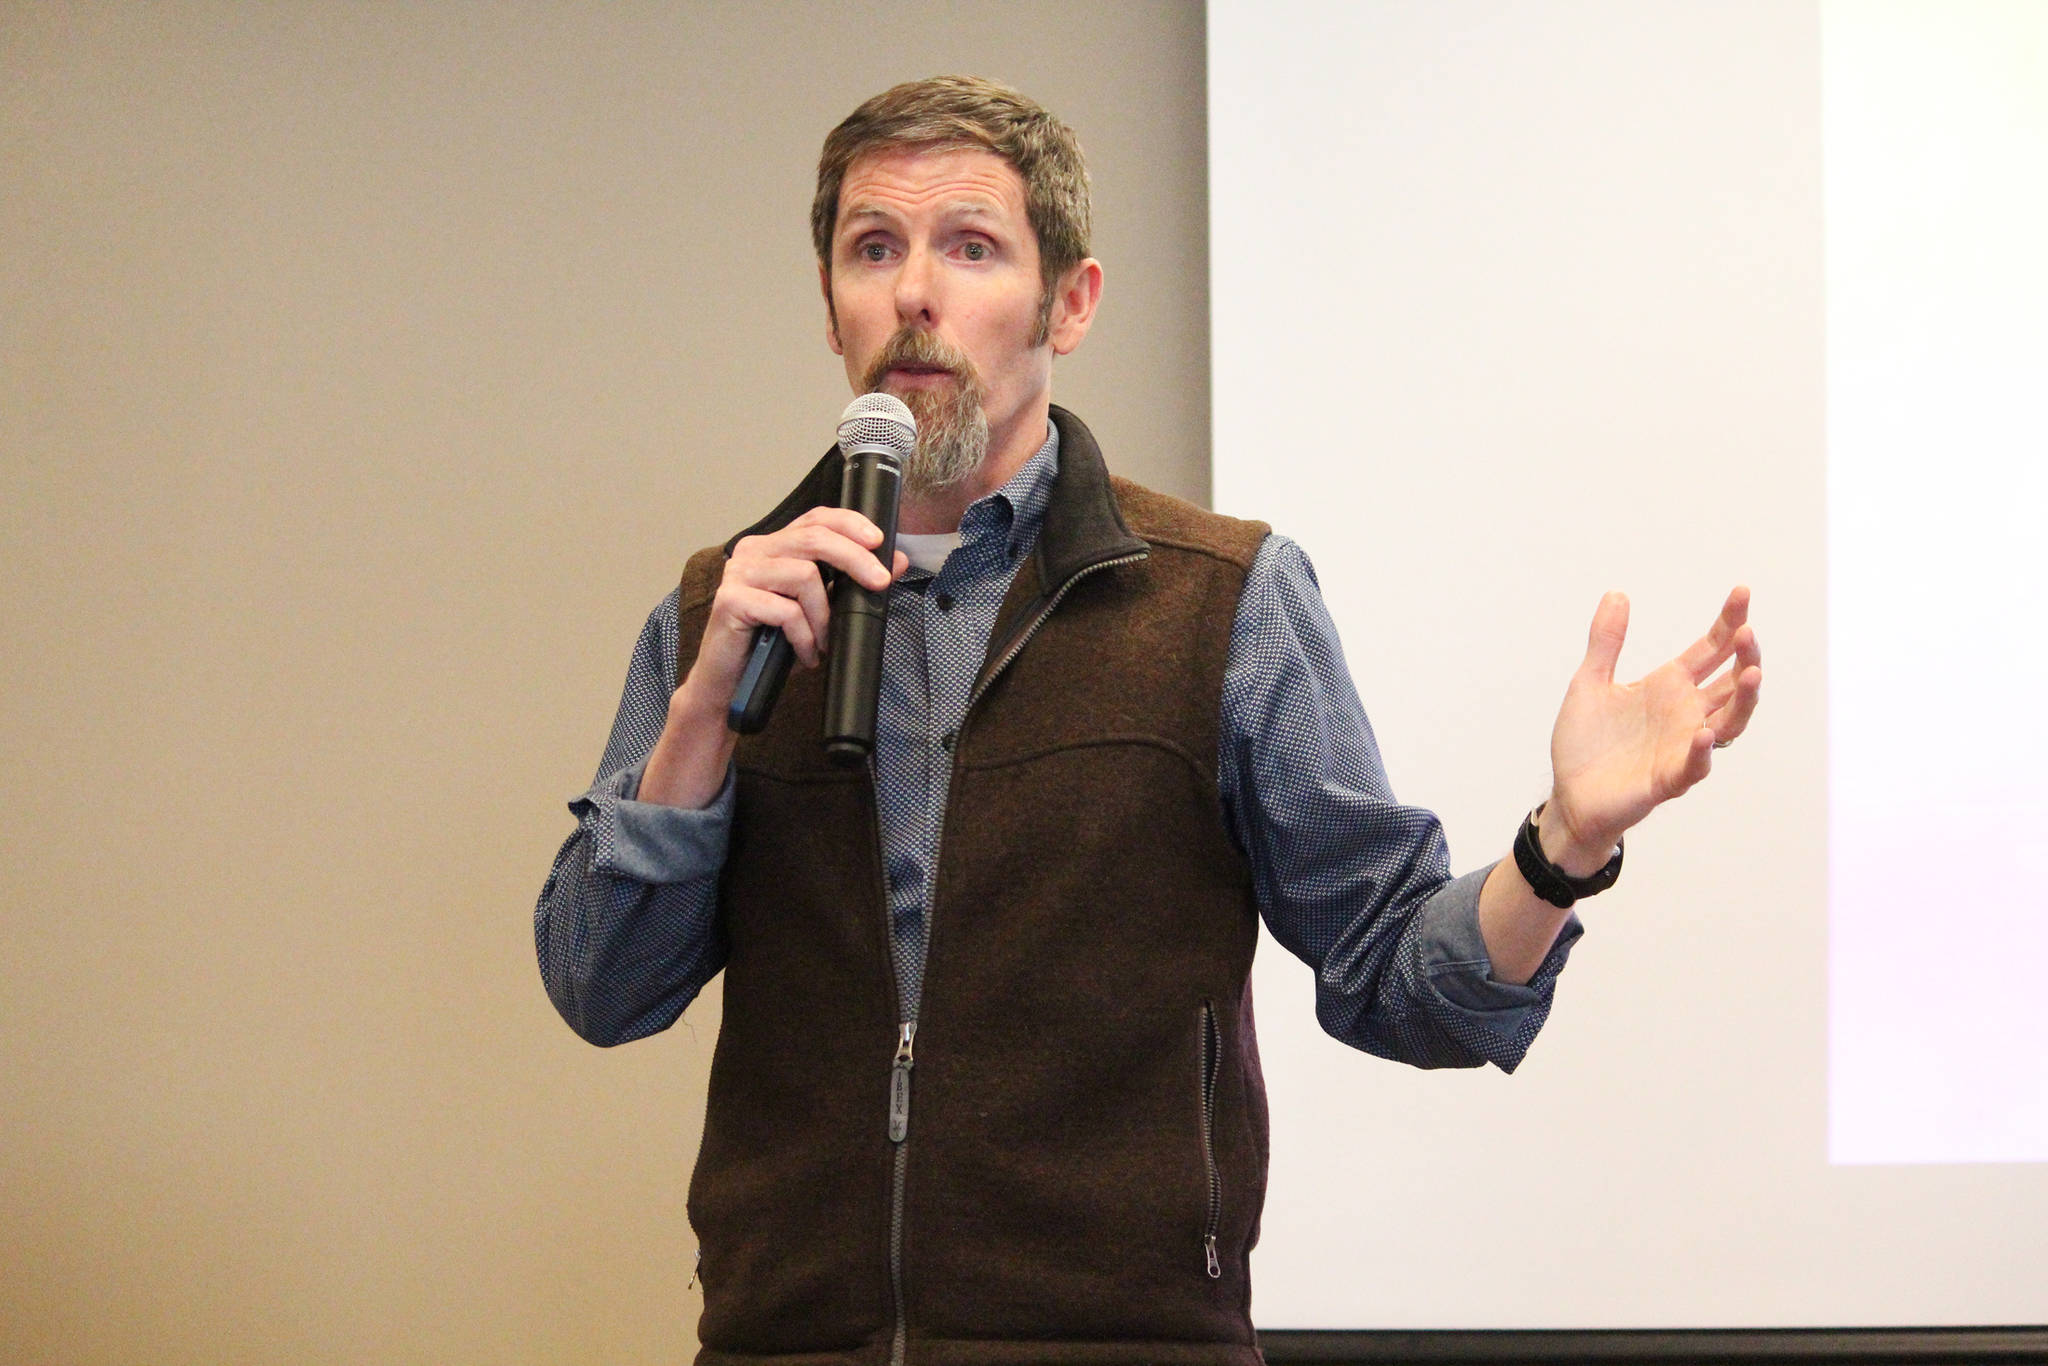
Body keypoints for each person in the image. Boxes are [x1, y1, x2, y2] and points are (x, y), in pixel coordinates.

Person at [536, 76, 1762, 1365]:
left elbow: (1405, 983)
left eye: (971, 246)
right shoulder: (722, 614)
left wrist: (1561, 842)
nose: (913, 292)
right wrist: (700, 726)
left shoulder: (1217, 601)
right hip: (786, 1340)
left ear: (1070, 301)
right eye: (873, 249)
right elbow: (600, 987)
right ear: (830, 307)